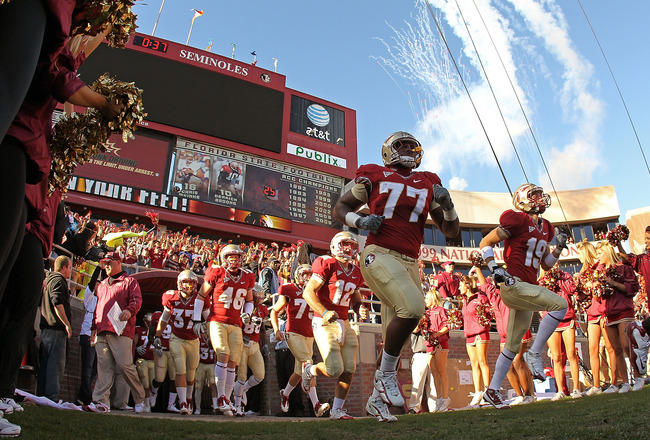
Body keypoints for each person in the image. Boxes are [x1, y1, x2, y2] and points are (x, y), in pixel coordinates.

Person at [333, 131, 459, 421]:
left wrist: (448, 205)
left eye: (411, 145)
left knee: (397, 339)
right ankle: (385, 376)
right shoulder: (373, 174)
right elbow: (340, 207)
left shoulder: (428, 181)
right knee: (414, 307)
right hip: (379, 252)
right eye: (400, 145)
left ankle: (376, 401)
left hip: (409, 262)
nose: (406, 149)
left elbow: (451, 233)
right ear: (387, 150)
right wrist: (360, 220)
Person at [478, 183, 569, 409]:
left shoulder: (546, 226)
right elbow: (485, 242)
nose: (540, 199)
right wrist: (494, 268)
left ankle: (492, 391)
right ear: (522, 199)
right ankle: (536, 353)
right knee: (560, 305)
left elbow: (546, 265)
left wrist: (558, 248)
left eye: (540, 195)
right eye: (534, 195)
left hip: (528, 287)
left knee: (512, 345)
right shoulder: (516, 219)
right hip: (513, 284)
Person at [302, 232, 366, 420]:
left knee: (349, 368)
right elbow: (308, 292)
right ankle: (309, 371)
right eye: (345, 244)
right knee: (334, 368)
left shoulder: (356, 271)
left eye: (352, 246)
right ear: (335, 246)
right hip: (324, 320)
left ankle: (337, 410)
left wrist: (359, 308)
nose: (349, 249)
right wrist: (324, 311)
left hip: (344, 321)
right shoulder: (327, 263)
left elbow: (355, 298)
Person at [192, 244, 255, 417]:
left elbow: (249, 300)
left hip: (235, 323)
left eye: (237, 257)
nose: (234, 260)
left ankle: (226, 399)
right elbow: (201, 295)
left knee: (233, 361)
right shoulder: (216, 272)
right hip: (217, 320)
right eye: (231, 257)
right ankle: (220, 396)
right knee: (223, 353)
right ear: (224, 258)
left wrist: (247, 314)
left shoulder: (248, 275)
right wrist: (197, 319)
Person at [89, 252, 146, 413]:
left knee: (124, 366)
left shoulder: (130, 282)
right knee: (104, 366)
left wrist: (129, 310)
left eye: (109, 262)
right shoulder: (101, 285)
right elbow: (98, 307)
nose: (106, 265)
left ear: (118, 262)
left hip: (121, 330)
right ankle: (101, 401)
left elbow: (137, 300)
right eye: (104, 263)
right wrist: (94, 327)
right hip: (102, 330)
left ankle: (140, 397)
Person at [270, 264, 329, 418]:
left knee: (298, 372)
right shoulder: (289, 289)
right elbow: (275, 311)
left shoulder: (316, 291)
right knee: (308, 363)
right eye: (304, 274)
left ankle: (285, 393)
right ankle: (316, 405)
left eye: (310, 274)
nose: (308, 277)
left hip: (309, 335)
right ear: (297, 275)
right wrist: (276, 329)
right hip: (293, 333)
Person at [476, 268, 535, 405]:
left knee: (517, 362)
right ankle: (520, 395)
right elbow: (484, 285)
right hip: (504, 335)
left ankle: (528, 395)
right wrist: (478, 268)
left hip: (518, 331)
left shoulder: (516, 293)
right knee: (506, 367)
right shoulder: (495, 295)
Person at [152, 270, 204, 415]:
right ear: (179, 283)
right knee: (179, 369)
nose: (188, 286)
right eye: (186, 282)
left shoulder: (199, 299)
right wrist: (158, 335)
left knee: (191, 375)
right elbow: (164, 319)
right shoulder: (171, 297)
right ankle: (182, 403)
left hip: (193, 340)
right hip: (177, 338)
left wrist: (206, 329)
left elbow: (209, 319)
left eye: (192, 282)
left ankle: (188, 398)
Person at [595, 241, 640, 393]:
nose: (598, 257)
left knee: (627, 346)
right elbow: (596, 298)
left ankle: (638, 377)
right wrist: (596, 288)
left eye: (600, 253)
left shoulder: (624, 268)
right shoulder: (600, 273)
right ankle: (624, 382)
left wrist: (612, 283)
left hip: (624, 311)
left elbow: (632, 289)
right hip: (608, 313)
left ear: (608, 252)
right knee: (616, 350)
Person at [538, 266, 581, 400]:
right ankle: (560, 390)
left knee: (571, 354)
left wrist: (560, 278)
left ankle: (576, 389)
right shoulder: (541, 280)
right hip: (550, 320)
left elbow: (572, 290)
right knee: (556, 357)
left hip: (567, 317)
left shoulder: (564, 275)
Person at [576, 240, 612, 395]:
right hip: (591, 313)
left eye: (579, 254)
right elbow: (582, 294)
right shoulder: (583, 272)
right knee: (593, 349)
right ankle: (597, 384)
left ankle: (614, 381)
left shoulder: (598, 268)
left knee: (610, 348)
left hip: (603, 310)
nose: (578, 257)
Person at [37, 255, 73, 402]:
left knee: (45, 364)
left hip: (46, 329)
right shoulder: (58, 280)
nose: (70, 271)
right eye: (70, 267)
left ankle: (41, 395)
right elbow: (57, 302)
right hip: (56, 330)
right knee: (55, 365)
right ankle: (51, 397)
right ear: (63, 267)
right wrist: (67, 324)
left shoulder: (48, 280)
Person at [233, 284, 268, 416]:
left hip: (254, 345)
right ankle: (238, 406)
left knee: (259, 375)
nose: (259, 300)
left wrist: (263, 344)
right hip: (242, 343)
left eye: (260, 297)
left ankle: (244, 390)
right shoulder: (243, 306)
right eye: (256, 297)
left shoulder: (263, 309)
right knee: (241, 376)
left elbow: (263, 328)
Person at [459, 275, 491, 406]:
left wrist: (484, 321)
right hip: (469, 334)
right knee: (473, 363)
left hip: (480, 332)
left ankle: (488, 391)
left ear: (467, 285)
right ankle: (478, 391)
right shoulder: (464, 301)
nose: (459, 288)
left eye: (461, 285)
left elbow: (489, 312)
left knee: (483, 361)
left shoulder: (480, 298)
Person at [423, 290, 450, 412]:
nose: (425, 301)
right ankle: (439, 398)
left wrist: (437, 334)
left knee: (441, 370)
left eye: (427, 298)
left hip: (440, 343)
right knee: (434, 373)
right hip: (430, 344)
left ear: (433, 298)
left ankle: (444, 398)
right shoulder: (426, 313)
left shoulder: (440, 310)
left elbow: (447, 325)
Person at [134, 313, 155, 412]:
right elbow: (133, 343)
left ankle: (150, 401)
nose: (148, 324)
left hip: (154, 361)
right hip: (142, 360)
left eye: (150, 322)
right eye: (147, 322)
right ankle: (146, 405)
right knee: (145, 383)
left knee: (153, 384)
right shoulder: (139, 330)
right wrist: (136, 348)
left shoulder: (159, 331)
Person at [194, 335, 218, 414]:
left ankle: (215, 406)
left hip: (211, 364)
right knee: (198, 386)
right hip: (201, 364)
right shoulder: (199, 338)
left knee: (213, 384)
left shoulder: (214, 337)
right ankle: (197, 408)